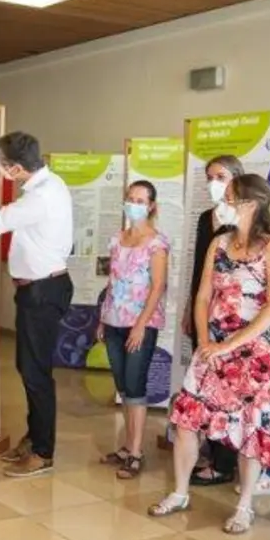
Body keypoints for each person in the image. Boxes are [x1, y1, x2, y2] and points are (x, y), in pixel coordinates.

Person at [150, 175, 270, 535]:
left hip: (255, 353)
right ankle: (180, 491)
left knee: (250, 429)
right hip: (211, 347)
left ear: (251, 204)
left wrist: (228, 345)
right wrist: (203, 340)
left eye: (230, 197)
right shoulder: (220, 243)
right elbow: (201, 296)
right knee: (186, 420)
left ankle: (244, 506)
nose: (222, 203)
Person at [0, 132, 74, 479]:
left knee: (36, 372)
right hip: (37, 289)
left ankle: (43, 452)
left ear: (17, 168)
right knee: (28, 369)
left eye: (1, 164)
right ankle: (34, 436)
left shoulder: (41, 197)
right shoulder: (49, 184)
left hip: (43, 292)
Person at [94, 180, 169, 479]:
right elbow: (111, 283)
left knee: (136, 387)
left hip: (141, 324)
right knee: (123, 386)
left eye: (140, 199)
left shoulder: (157, 243)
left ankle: (136, 453)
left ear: (151, 205)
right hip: (113, 321)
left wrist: (140, 326)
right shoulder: (116, 240)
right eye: (130, 198)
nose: (134, 203)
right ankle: (126, 447)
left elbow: (158, 286)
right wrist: (102, 317)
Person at [183, 154, 248, 490]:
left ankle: (226, 463)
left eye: (220, 176)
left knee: (229, 388)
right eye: (210, 176)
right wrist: (190, 311)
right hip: (204, 313)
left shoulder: (248, 217)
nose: (214, 182)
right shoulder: (205, 218)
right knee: (206, 387)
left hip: (235, 319)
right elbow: (199, 271)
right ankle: (212, 453)